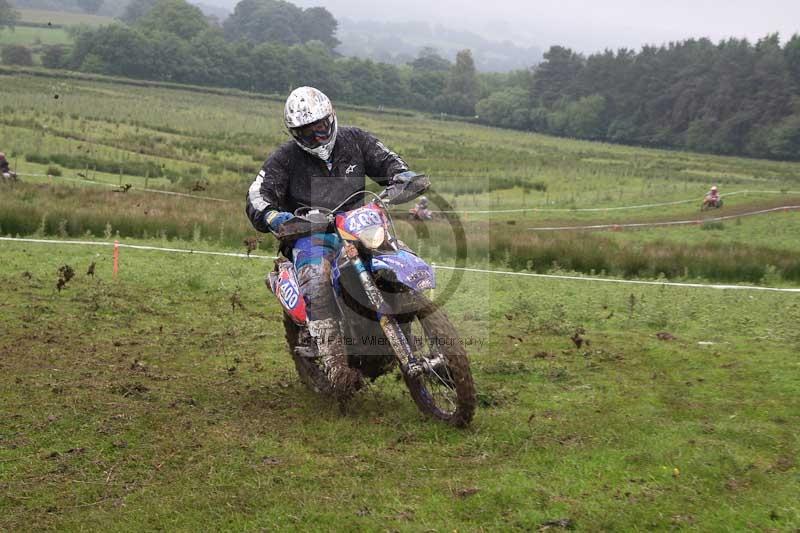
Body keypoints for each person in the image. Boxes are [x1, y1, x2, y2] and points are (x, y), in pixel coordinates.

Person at [245, 86, 416, 393]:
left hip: (357, 225)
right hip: (310, 234)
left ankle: (418, 333)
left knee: (400, 257)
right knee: (316, 278)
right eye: (306, 133)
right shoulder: (285, 158)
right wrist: (274, 216)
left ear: (331, 118)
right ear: (294, 133)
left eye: (321, 128)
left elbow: (389, 161)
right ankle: (335, 365)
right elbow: (258, 194)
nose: (317, 137)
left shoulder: (355, 140)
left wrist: (402, 176)